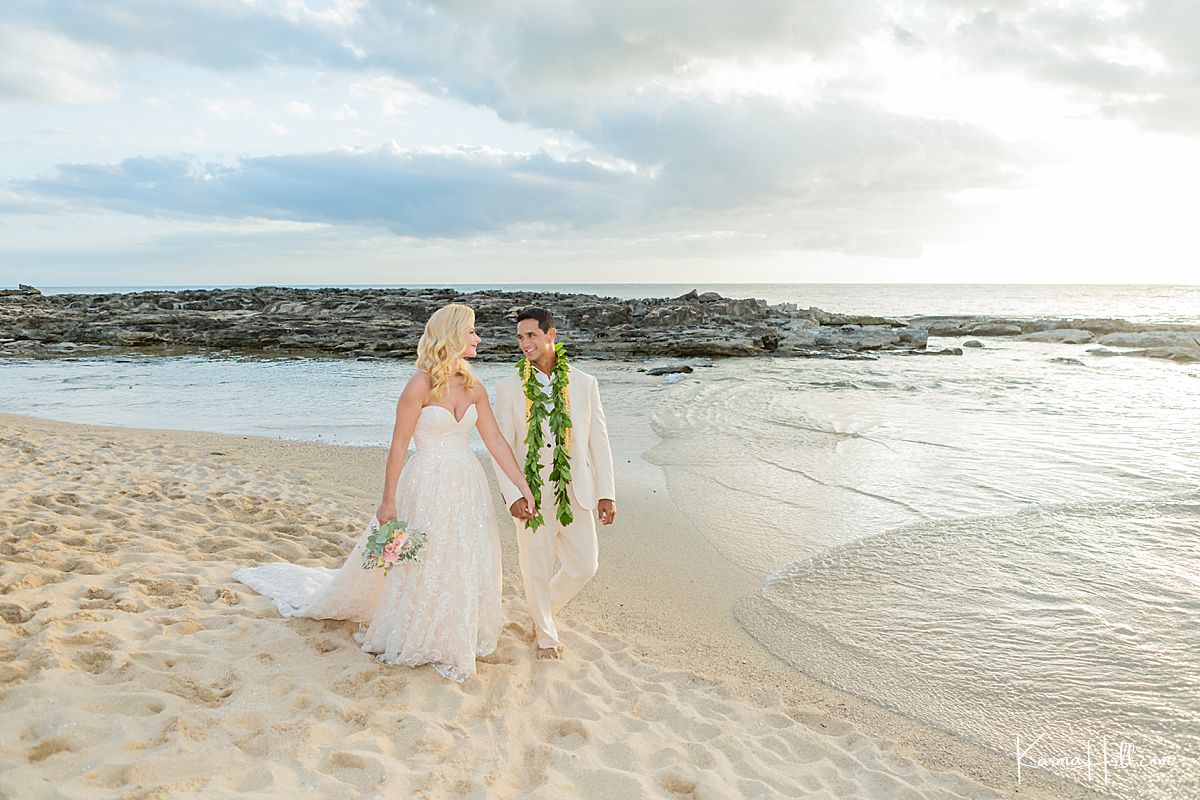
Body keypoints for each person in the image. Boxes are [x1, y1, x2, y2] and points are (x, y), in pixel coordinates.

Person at [232, 303, 535, 683]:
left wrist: (521, 485)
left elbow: (494, 442)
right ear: (453, 336)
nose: (478, 338)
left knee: (462, 553)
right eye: (472, 331)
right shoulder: (419, 385)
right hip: (425, 481)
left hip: (466, 482)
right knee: (423, 557)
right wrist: (387, 499)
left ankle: (455, 628)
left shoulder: (475, 387)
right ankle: (419, 628)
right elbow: (398, 446)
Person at [489, 306, 617, 660]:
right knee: (536, 566)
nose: (524, 343)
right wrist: (512, 494)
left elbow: (599, 442)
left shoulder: (584, 383)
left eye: (531, 335)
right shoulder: (508, 389)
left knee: (584, 565)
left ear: (551, 335)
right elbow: (501, 447)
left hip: (576, 492)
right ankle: (545, 633)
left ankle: (542, 611)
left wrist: (607, 493)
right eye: (519, 337)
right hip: (531, 493)